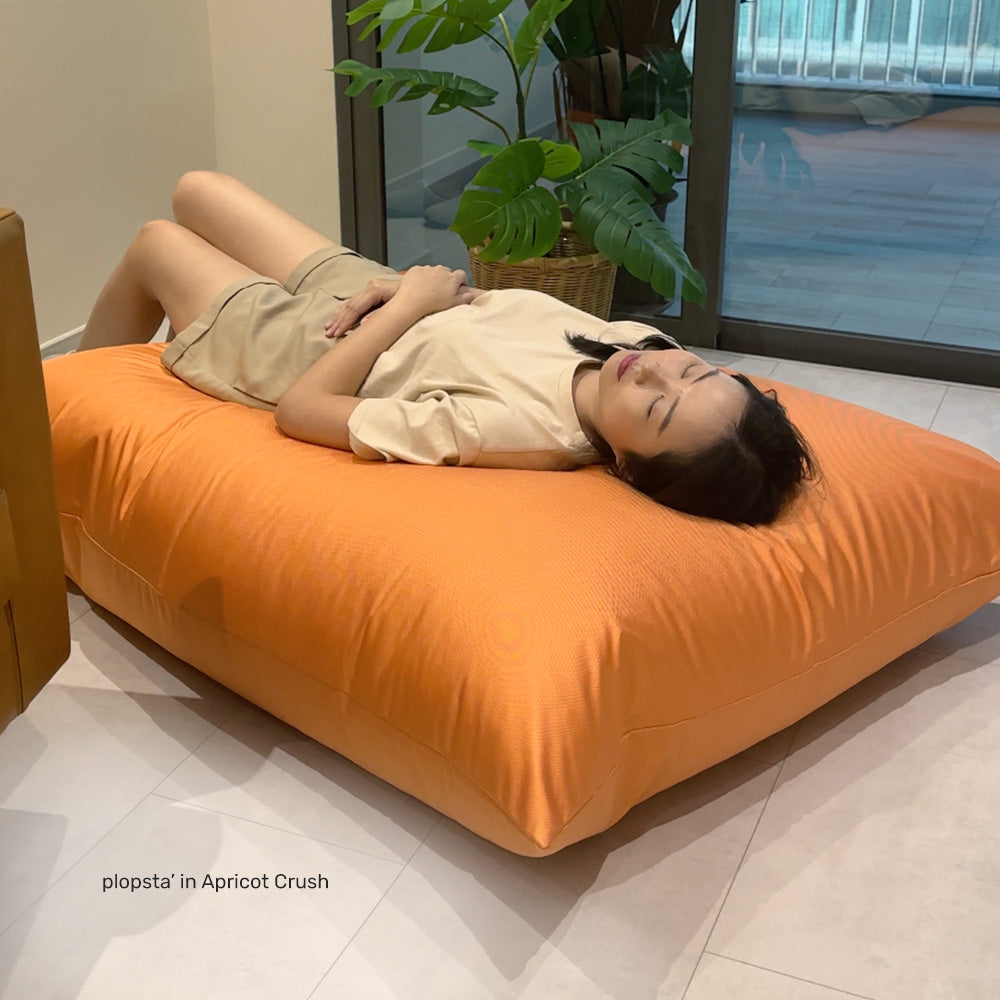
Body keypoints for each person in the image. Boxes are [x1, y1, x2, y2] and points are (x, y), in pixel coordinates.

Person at [78, 171, 817, 525]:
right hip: (377, 291)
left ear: (625, 466)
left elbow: (305, 410)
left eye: (657, 407)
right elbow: (481, 313)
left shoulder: (516, 434)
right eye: (689, 369)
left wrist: (407, 308)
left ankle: (39, 425)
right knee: (196, 191)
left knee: (157, 245)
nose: (653, 367)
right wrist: (412, 291)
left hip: (311, 350)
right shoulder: (638, 342)